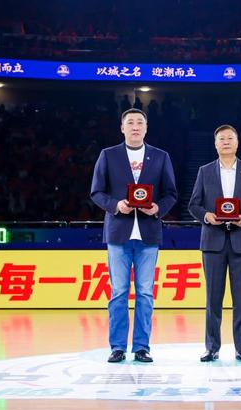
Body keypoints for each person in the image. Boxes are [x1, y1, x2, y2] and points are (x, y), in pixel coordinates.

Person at [90, 108, 177, 363]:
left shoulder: (160, 156)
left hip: (148, 234)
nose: (135, 126)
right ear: (122, 128)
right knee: (118, 292)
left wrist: (158, 208)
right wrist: (116, 205)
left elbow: (171, 193)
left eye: (140, 122)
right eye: (130, 122)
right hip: (118, 233)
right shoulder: (108, 155)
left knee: (145, 293)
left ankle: (141, 347)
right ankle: (117, 347)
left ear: (146, 128)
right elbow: (96, 192)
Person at [188, 125, 241, 362]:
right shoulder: (205, 171)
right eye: (221, 139)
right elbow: (193, 204)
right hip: (213, 242)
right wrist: (206, 216)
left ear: (237, 142)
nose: (225, 142)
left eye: (230, 138)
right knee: (213, 299)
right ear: (215, 144)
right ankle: (211, 348)